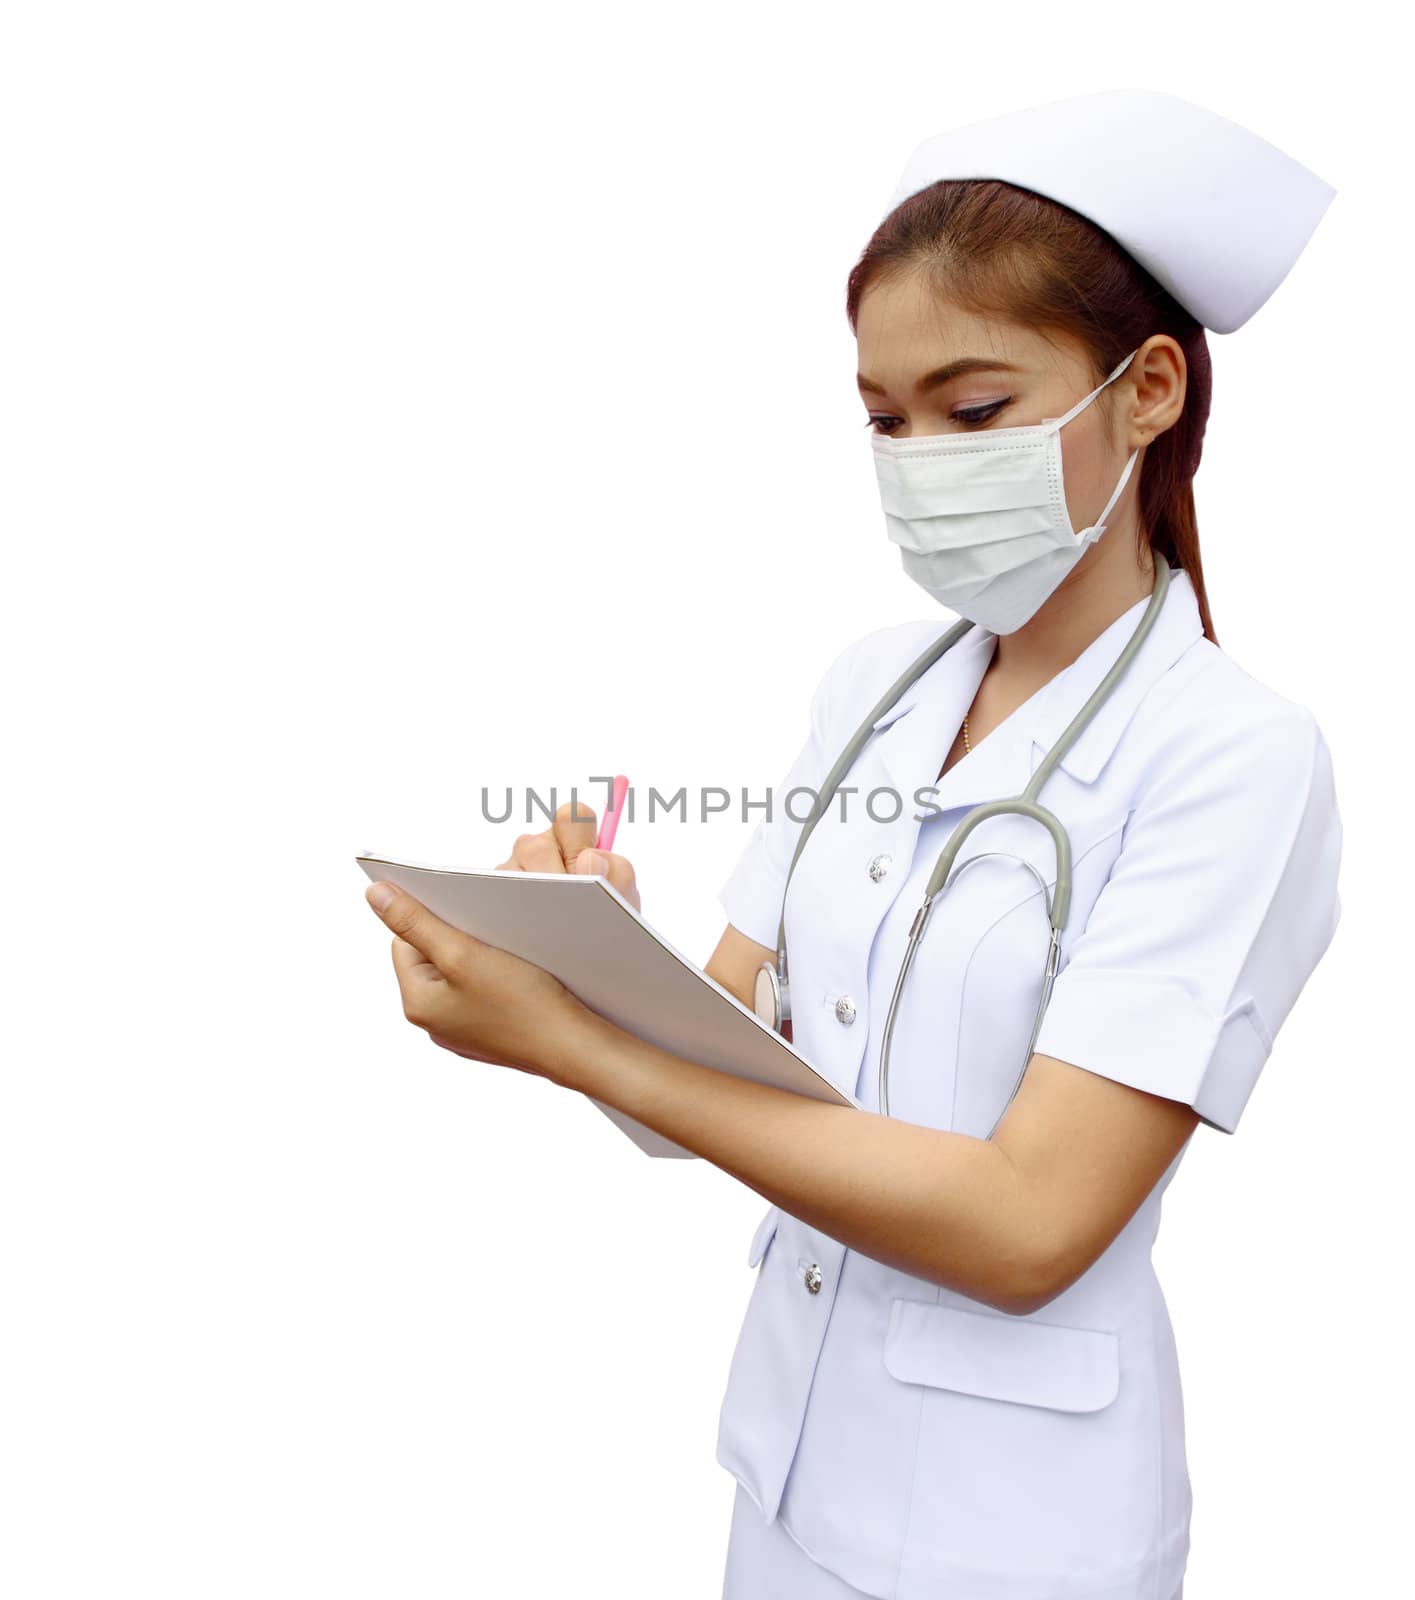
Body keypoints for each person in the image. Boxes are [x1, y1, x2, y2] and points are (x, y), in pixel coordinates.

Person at [361, 89, 1343, 1599]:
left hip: (1019, 1538)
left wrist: (574, 1043)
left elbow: (1030, 1226)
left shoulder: (1237, 761)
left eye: (973, 412)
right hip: (790, 1470)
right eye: (885, 419)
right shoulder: (872, 688)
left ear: (1148, 391)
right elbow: (730, 1065)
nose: (918, 459)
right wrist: (592, 956)